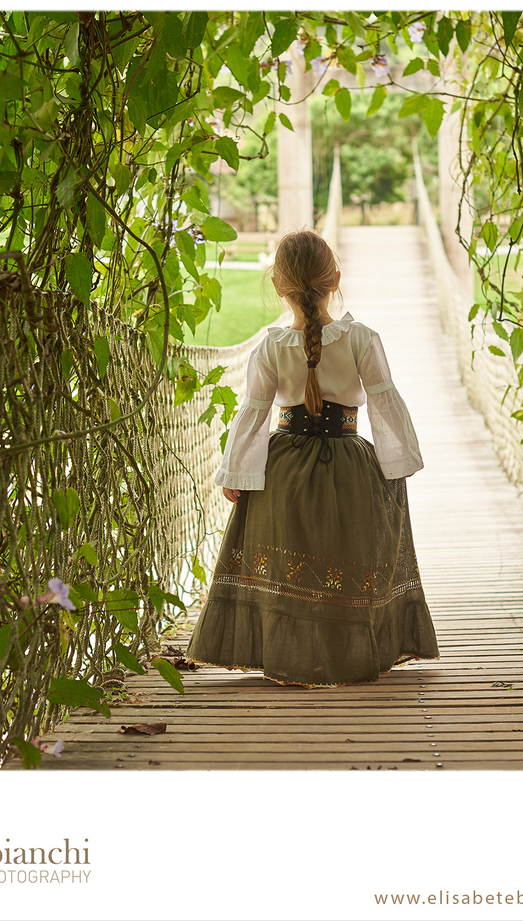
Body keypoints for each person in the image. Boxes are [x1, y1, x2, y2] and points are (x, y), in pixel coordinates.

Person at [186, 229, 439, 687]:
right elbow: (384, 400)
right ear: (335, 279)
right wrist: (397, 462)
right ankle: (350, 652)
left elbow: (254, 412)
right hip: (351, 465)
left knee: (290, 558)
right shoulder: (361, 338)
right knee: (345, 552)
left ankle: (287, 653)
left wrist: (237, 471)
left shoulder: (270, 346)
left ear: (278, 286)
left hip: (282, 468)